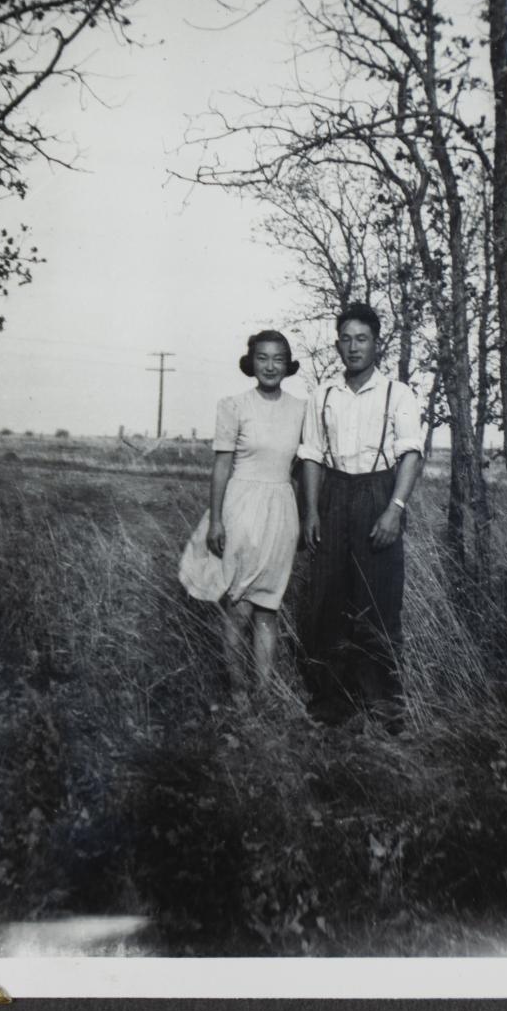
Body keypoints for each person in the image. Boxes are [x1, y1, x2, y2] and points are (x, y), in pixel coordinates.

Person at [299, 303, 423, 727]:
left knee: (379, 603)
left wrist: (395, 509)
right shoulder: (323, 395)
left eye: (362, 339)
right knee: (325, 603)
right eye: (346, 339)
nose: (353, 347)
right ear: (337, 344)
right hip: (333, 495)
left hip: (377, 494)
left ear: (377, 343)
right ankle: (331, 706)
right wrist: (312, 511)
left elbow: (410, 454)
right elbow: (312, 456)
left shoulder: (398, 393)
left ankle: (386, 708)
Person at [179, 330, 305, 698]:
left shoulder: (301, 410)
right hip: (240, 509)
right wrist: (216, 520)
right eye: (262, 358)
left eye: (278, 358)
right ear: (251, 363)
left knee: (268, 608)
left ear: (288, 364)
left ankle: (264, 695)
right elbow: (221, 467)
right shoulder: (233, 405)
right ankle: (238, 694)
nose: (270, 366)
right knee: (238, 608)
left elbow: (304, 466)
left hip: (281, 511)